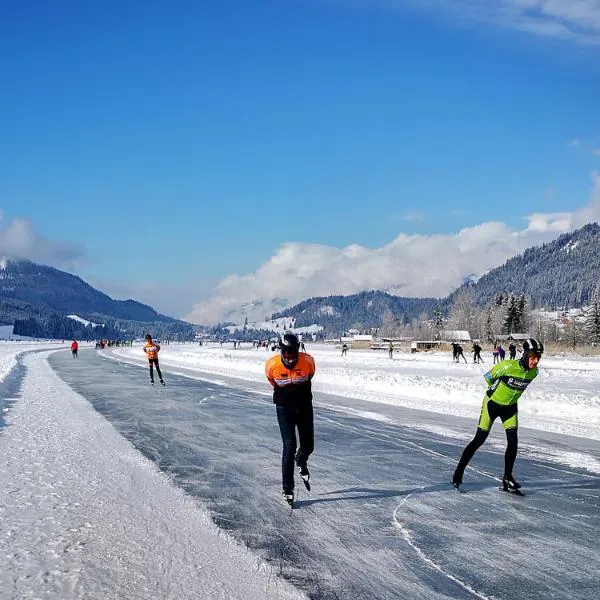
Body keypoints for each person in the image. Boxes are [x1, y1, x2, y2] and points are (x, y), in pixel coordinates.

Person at [452, 338, 544, 493]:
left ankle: (508, 477)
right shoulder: (507, 366)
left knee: (513, 441)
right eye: (532, 357)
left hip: (510, 408)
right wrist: (495, 388)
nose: (535, 361)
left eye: (538, 358)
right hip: (492, 404)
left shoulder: (534, 372)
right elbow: (488, 377)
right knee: (479, 439)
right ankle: (458, 472)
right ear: (525, 355)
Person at [265, 332, 316, 507]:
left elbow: (310, 375)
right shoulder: (272, 365)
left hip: (304, 406)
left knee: (308, 445)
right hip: (284, 407)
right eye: (285, 353)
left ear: (297, 350)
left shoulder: (308, 361)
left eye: (292, 353)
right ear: (281, 351)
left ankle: (301, 460)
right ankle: (287, 488)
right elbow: (272, 381)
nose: (289, 357)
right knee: (289, 445)